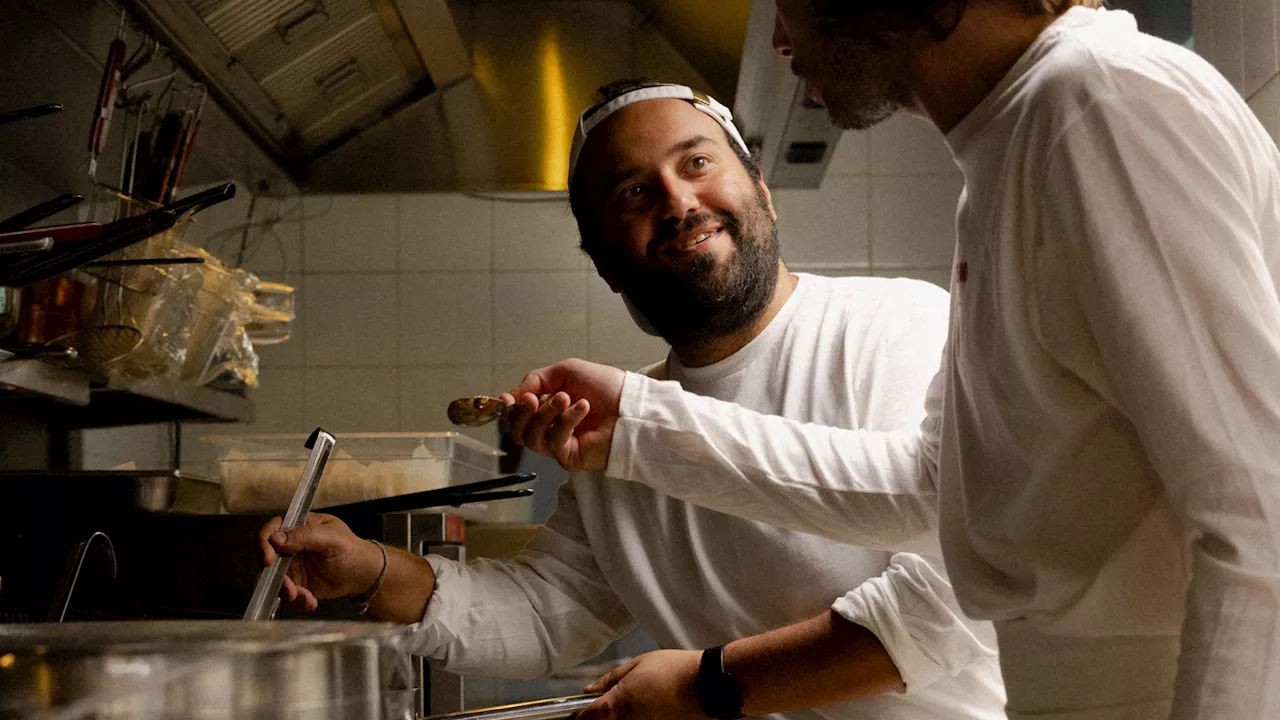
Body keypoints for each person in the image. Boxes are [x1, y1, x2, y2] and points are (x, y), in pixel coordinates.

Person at [501, 2, 1280, 719]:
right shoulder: (1009, 152)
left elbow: (1259, 515)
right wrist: (638, 423)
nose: (779, 38)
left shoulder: (1094, 105)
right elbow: (936, 492)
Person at [259, 81, 1007, 720]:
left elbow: (961, 596)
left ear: (764, 193)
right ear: (606, 263)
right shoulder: (617, 428)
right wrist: (371, 572)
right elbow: (553, 610)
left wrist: (709, 685)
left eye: (697, 162)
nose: (678, 201)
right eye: (634, 192)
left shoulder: (897, 328)